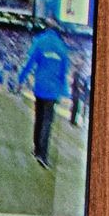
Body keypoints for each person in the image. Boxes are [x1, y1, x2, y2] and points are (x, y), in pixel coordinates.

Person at [18, 21, 72, 169]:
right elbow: (63, 73)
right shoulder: (62, 47)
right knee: (47, 121)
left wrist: (21, 79)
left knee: (39, 117)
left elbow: (29, 63)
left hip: (40, 87)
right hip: (52, 90)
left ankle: (36, 149)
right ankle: (43, 154)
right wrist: (64, 93)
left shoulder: (40, 41)